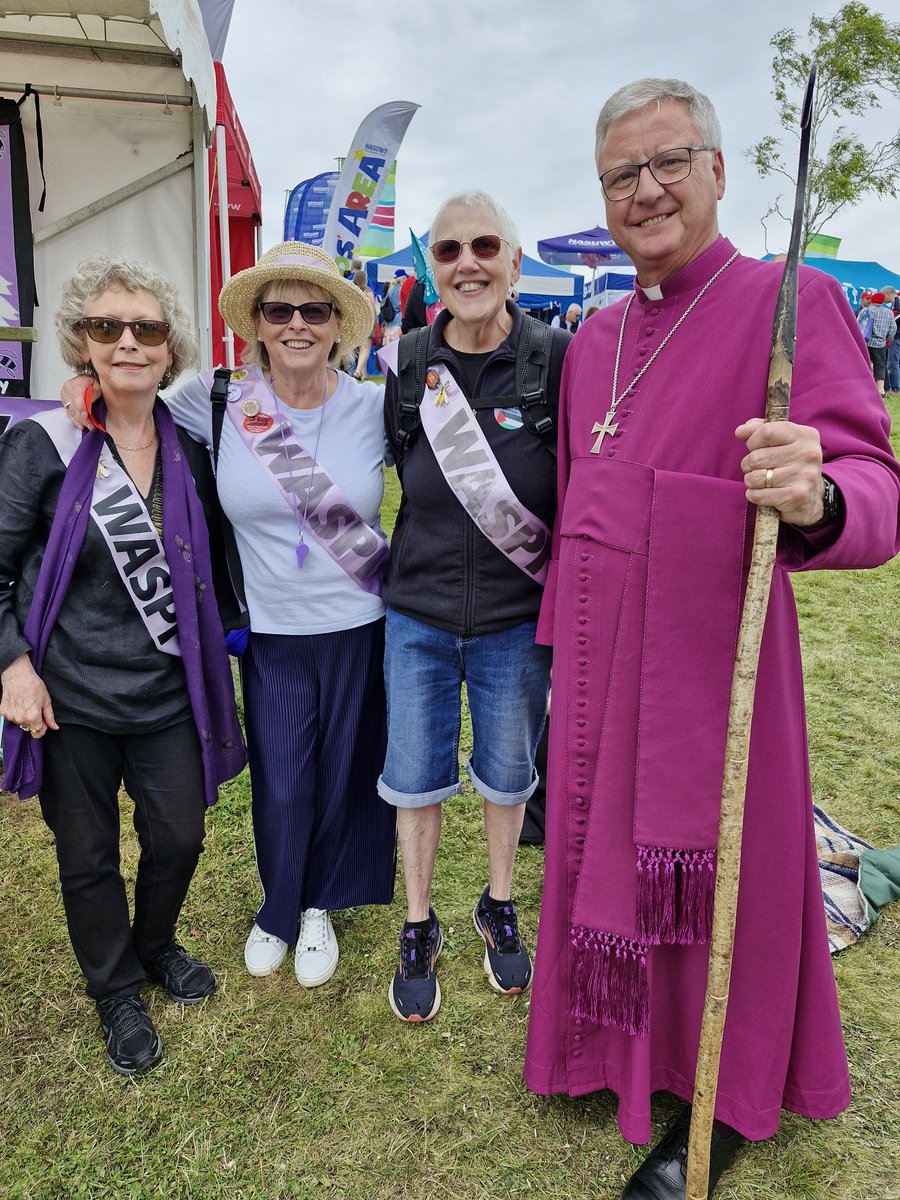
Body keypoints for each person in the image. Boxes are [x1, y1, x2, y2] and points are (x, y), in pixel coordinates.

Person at [523, 78, 900, 1200]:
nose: (646, 191)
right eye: (621, 175)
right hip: (596, 661)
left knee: (717, 873)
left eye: (668, 162)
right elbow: (574, 493)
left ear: (720, 169)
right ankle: (609, 1049)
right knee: (605, 860)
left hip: (712, 661)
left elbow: (876, 486)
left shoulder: (788, 301)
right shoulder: (593, 335)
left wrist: (818, 495)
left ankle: (717, 1101)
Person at [61, 242, 397, 990]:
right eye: (281, 310)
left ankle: (318, 906)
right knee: (280, 777)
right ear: (259, 325)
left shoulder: (377, 407)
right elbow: (128, 394)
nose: (298, 323)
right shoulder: (216, 401)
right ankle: (277, 907)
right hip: (270, 630)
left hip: (358, 623)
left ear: (339, 323)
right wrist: (78, 389)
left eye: (315, 309)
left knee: (344, 769)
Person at [0, 256, 246, 1076]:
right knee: (87, 855)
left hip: (168, 690)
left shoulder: (192, 447)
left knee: (178, 835)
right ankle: (114, 990)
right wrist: (14, 667)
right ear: (82, 342)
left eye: (145, 328)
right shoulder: (43, 441)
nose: (129, 343)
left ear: (169, 346)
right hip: (70, 696)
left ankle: (155, 944)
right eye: (108, 328)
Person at [377, 190, 572, 1022]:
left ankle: (497, 902)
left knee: (507, 774)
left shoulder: (557, 359)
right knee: (415, 781)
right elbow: (398, 459)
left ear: (514, 262)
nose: (468, 263)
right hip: (416, 615)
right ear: (433, 269)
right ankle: (418, 923)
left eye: (485, 245)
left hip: (514, 621)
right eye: (450, 250)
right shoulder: (410, 361)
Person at [856, 290, 896, 394]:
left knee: (865, 364)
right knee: (880, 366)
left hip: (866, 343)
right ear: (883, 301)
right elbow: (893, 328)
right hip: (880, 344)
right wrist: (888, 338)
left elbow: (858, 326)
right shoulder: (888, 313)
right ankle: (881, 390)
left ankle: (864, 387)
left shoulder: (865, 311)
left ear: (873, 300)